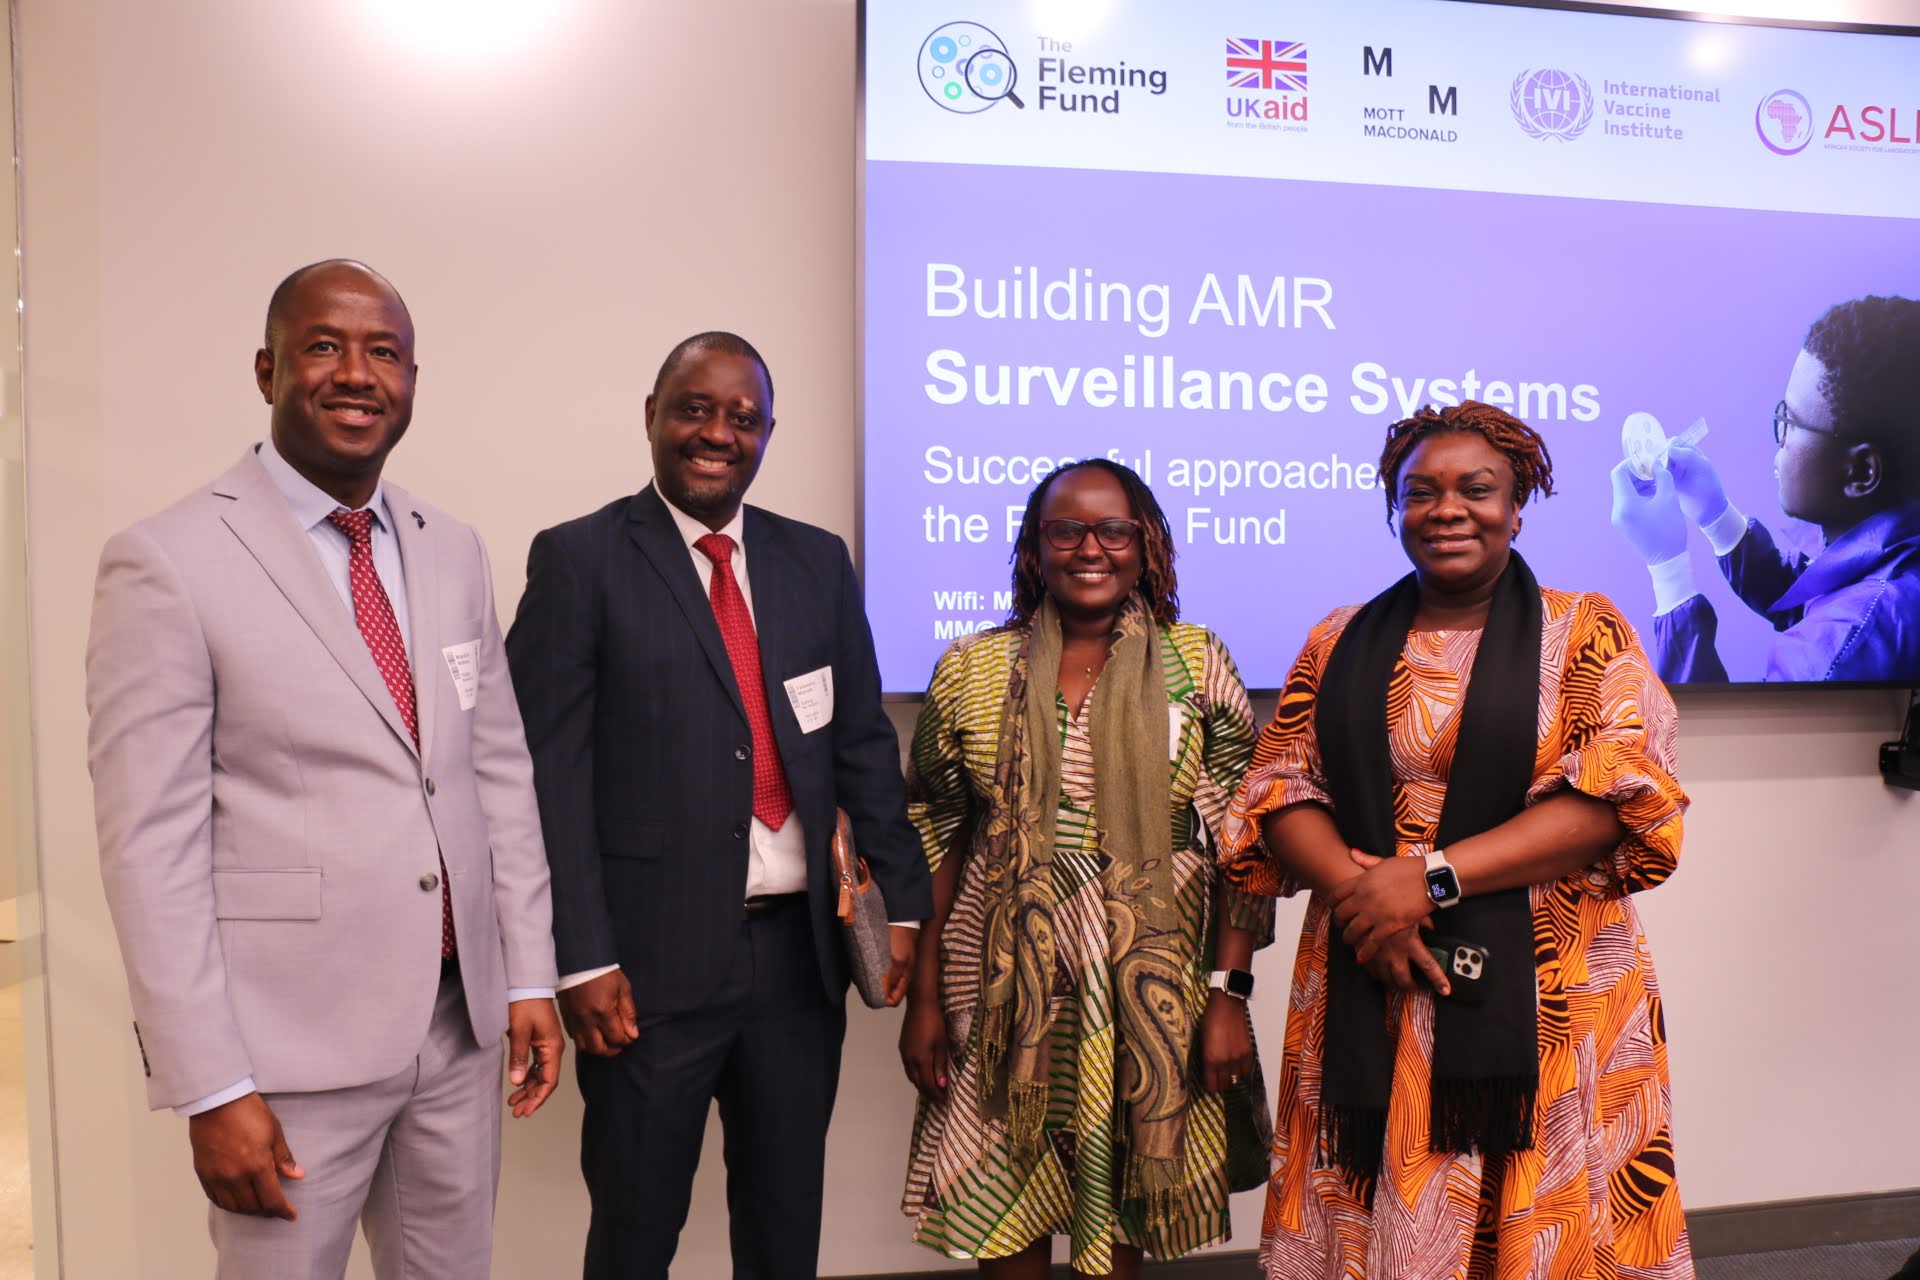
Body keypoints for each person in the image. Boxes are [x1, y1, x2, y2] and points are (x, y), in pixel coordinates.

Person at [85, 259, 565, 1278]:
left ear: (412, 382)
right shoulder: (167, 558)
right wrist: (210, 1085)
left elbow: (496, 773)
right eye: (324, 346)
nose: (358, 373)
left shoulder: (452, 547)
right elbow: (148, 846)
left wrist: (526, 970)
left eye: (383, 352)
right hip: (285, 1054)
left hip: (457, 1029)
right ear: (267, 370)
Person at [1222, 401, 1694, 1277]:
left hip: (1547, 980)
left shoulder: (1584, 629)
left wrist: (1427, 882)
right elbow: (1282, 787)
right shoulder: (1337, 639)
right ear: (1394, 509)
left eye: (1476, 490)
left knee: (1537, 1206)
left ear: (1518, 506)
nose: (1447, 509)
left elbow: (1613, 801)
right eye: (1419, 493)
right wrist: (1374, 900)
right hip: (1371, 962)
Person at [505, 331, 934, 1280]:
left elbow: (863, 744)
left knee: (784, 1233)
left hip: (798, 961)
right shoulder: (580, 560)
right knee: (635, 1233)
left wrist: (900, 905)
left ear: (767, 435)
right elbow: (550, 778)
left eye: (743, 418)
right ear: (652, 417)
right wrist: (580, 956)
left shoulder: (815, 561)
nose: (717, 433)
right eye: (695, 408)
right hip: (644, 971)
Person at [898, 458, 1274, 1279]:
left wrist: (1228, 997)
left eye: (1114, 529)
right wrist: (922, 998)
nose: (1089, 547)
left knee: (1119, 1221)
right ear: (1037, 549)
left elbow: (1245, 847)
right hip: (995, 987)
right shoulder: (969, 668)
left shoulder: (1196, 662)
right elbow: (936, 835)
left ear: (1147, 548)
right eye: (1066, 530)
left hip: (1148, 989)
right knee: (1002, 1209)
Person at [1610, 294, 1920, 682]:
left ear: (1860, 472)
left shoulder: (1846, 645)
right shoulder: (1897, 554)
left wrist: (1668, 573)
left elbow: (1718, 740)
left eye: (1790, 421)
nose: (1779, 436)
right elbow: (1815, 598)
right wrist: (1718, 518)